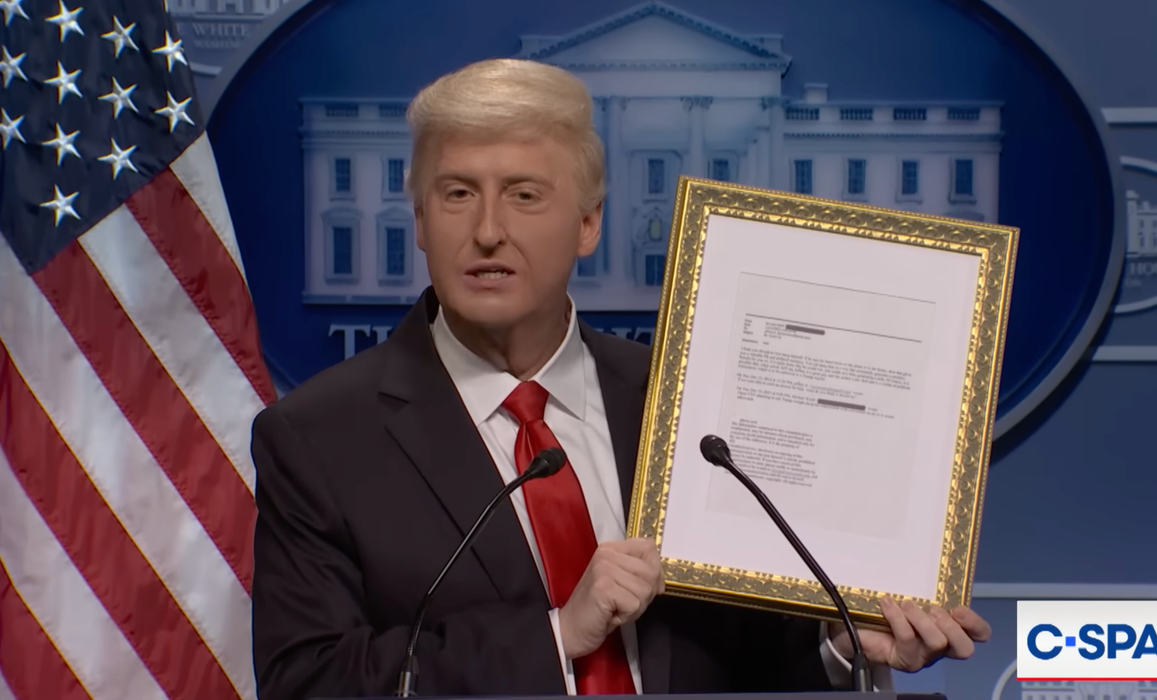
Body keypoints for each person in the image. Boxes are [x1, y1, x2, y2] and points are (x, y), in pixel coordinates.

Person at [249, 58, 991, 700]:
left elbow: (750, 658)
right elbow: (307, 682)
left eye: (524, 194)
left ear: (588, 224)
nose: (486, 230)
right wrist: (554, 636)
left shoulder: (692, 406)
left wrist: (841, 649)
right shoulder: (319, 437)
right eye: (456, 193)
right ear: (418, 219)